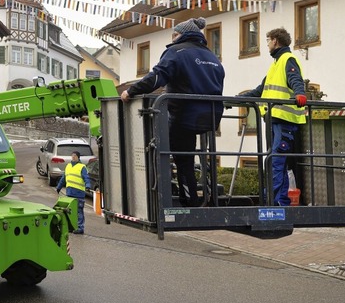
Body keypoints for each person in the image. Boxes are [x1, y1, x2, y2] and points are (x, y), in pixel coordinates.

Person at [120, 17, 225, 207]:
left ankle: (181, 200)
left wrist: (131, 91)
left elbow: (157, 77)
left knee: (161, 150)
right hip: (211, 116)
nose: (172, 38)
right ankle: (193, 197)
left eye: (174, 34)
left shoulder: (176, 52)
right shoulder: (211, 56)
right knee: (188, 155)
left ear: (180, 34)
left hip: (184, 115)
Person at [239, 27, 306, 206]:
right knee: (274, 161)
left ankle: (275, 203)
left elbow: (296, 80)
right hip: (274, 120)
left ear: (275, 41)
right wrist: (236, 99)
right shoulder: (275, 64)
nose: (267, 44)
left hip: (285, 120)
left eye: (268, 40)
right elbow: (260, 91)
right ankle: (276, 200)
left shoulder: (287, 60)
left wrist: (300, 94)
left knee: (276, 161)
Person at [56, 151, 91, 234]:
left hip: (79, 193)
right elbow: (64, 178)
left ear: (78, 157)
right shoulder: (68, 166)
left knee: (79, 211)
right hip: (69, 193)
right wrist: (59, 187)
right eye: (72, 156)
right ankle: (72, 227)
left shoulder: (82, 167)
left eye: (75, 156)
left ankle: (80, 227)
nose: (73, 157)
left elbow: (86, 178)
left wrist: (88, 186)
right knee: (70, 211)